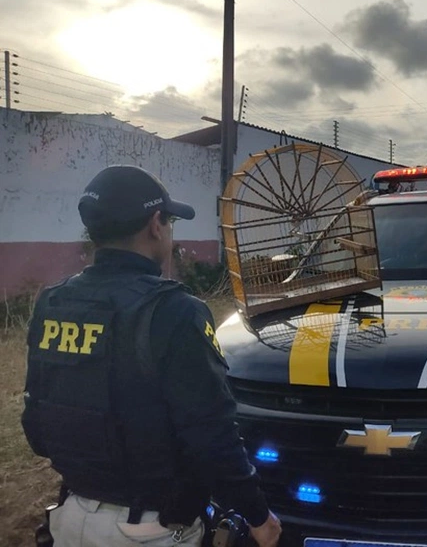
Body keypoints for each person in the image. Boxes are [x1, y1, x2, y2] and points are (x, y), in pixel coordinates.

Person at [21, 165, 282, 547]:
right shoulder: (176, 311)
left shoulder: (52, 302)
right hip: (151, 531)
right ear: (156, 224)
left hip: (70, 519)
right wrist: (258, 516)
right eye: (171, 222)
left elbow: (36, 427)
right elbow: (212, 437)